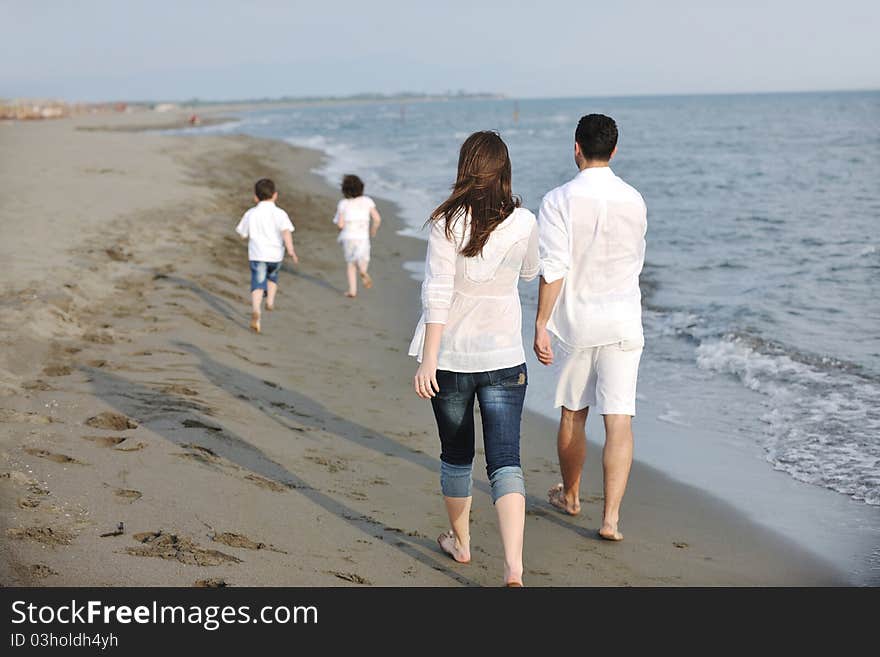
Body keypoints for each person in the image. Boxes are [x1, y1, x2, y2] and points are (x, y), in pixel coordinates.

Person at [409, 131, 539, 586]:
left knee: (456, 456)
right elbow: (529, 272)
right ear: (504, 172)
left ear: (465, 168)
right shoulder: (523, 221)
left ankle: (462, 543)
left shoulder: (448, 222)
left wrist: (428, 360)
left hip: (450, 359)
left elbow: (437, 293)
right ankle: (514, 568)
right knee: (506, 461)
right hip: (504, 356)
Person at [533, 113, 647, 542]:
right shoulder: (634, 199)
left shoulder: (558, 199)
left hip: (577, 322)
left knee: (572, 413)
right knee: (619, 419)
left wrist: (541, 323)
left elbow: (554, 267)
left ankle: (572, 495)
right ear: (614, 151)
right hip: (623, 320)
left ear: (576, 147)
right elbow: (636, 260)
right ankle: (611, 518)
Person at [235, 178, 299, 333]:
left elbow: (242, 233)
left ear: (255, 197)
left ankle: (257, 310)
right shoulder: (280, 213)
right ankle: (270, 301)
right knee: (272, 278)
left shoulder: (251, 213)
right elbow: (286, 232)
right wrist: (291, 250)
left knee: (257, 283)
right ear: (275, 195)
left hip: (257, 254)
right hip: (275, 255)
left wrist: (247, 235)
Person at [334, 174, 381, 297]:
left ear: (344, 189)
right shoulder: (367, 201)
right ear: (361, 188)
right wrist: (373, 231)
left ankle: (352, 290)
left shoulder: (343, 204)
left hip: (348, 236)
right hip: (362, 237)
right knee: (363, 258)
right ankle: (363, 271)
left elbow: (340, 224)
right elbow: (377, 219)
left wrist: (340, 230)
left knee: (350, 263)